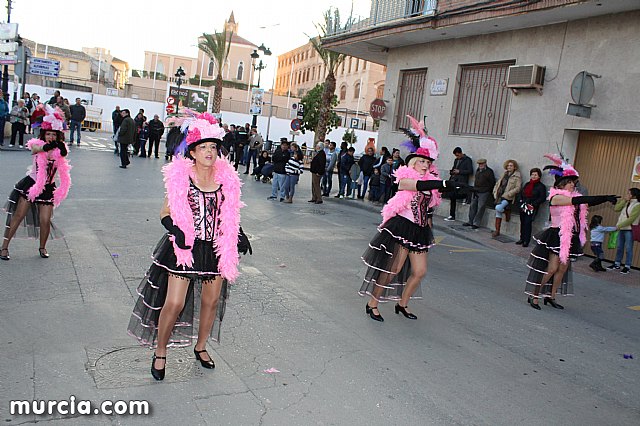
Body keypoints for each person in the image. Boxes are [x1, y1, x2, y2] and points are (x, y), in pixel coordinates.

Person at [126, 110, 248, 380]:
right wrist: (176, 231)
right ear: (192, 151)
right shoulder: (182, 176)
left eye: (213, 147)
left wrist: (239, 232)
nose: (209, 152)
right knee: (174, 302)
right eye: (203, 147)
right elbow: (165, 212)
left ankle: (201, 346)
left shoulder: (225, 177)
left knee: (211, 300)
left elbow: (229, 211)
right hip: (185, 247)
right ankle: (160, 351)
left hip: (215, 248)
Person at [360, 116, 460, 322]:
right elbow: (419, 187)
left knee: (420, 271)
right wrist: (442, 183)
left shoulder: (430, 181)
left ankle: (402, 304)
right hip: (402, 228)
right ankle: (372, 304)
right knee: (393, 269)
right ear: (413, 162)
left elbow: (429, 203)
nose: (425, 165)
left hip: (420, 230)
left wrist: (455, 189)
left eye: (428, 162)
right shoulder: (404, 179)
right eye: (421, 161)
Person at [524, 154, 617, 310]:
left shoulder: (573, 196)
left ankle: (551, 296)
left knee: (562, 268)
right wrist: (604, 197)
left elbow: (580, 209)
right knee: (552, 268)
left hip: (569, 236)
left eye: (574, 183)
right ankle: (534, 295)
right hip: (556, 235)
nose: (573, 185)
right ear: (561, 185)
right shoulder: (556, 198)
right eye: (570, 183)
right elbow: (579, 201)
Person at [1, 106, 71, 261]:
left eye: (54, 134)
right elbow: (35, 149)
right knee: (19, 215)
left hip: (48, 188)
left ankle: (42, 247)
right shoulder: (37, 144)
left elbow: (63, 157)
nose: (51, 137)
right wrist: (47, 147)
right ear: (44, 134)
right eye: (48, 134)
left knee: (45, 220)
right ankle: (4, 247)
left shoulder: (60, 148)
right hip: (32, 184)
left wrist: (59, 148)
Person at [607, 188, 640, 274]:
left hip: (629, 229)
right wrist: (624, 201)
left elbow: (631, 219)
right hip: (621, 228)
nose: (627, 194)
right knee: (619, 247)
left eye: (629, 193)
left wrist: (619, 226)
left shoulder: (637, 205)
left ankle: (627, 266)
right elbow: (616, 208)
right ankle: (617, 263)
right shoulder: (626, 203)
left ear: (633, 195)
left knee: (629, 248)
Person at [515, 168, 546, 247]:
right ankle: (521, 238)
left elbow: (542, 198)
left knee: (527, 223)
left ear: (539, 176)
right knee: (522, 222)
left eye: (535, 175)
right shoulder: (527, 184)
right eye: (532, 174)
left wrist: (533, 203)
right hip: (523, 205)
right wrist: (520, 201)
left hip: (532, 207)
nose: (533, 176)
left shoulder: (541, 186)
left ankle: (526, 240)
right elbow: (521, 193)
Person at [491, 159, 522, 238]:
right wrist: (495, 192)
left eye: (511, 166)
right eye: (508, 165)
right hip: (499, 195)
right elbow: (498, 184)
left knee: (498, 208)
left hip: (508, 197)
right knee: (498, 212)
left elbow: (518, 188)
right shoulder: (504, 174)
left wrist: (509, 194)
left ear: (514, 167)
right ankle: (497, 230)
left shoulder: (517, 176)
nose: (509, 167)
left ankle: (506, 211)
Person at [463, 159, 496, 229]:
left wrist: (488, 190)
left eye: (482, 164)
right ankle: (470, 221)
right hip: (476, 191)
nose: (480, 165)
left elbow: (492, 182)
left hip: (484, 191)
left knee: (481, 207)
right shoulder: (478, 170)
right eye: (479, 164)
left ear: (485, 164)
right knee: (472, 206)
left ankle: (476, 223)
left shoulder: (489, 172)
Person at [443, 147, 473, 221]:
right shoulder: (456, 160)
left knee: (454, 195)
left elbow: (470, 171)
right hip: (454, 181)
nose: (457, 157)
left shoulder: (467, 160)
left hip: (461, 182)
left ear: (461, 153)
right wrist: (452, 171)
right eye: (456, 156)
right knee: (451, 195)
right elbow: (453, 168)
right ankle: (451, 215)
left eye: (458, 155)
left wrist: (459, 171)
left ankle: (466, 197)